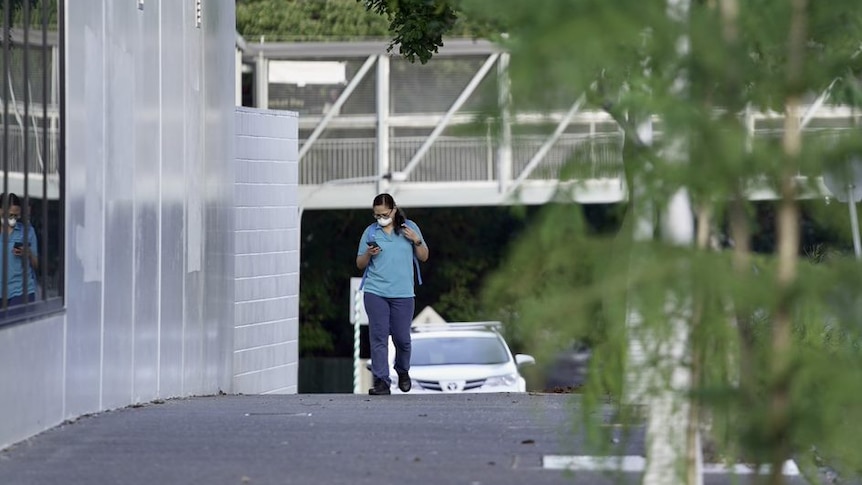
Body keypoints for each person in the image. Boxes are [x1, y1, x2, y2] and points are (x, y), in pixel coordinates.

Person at [356, 193, 429, 395]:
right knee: (379, 337)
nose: (381, 218)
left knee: (402, 338)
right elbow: (359, 264)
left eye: (384, 214)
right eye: (377, 215)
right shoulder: (371, 233)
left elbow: (424, 256)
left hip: (403, 293)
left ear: (394, 210)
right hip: (375, 291)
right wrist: (368, 254)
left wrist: (416, 240)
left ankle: (402, 370)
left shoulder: (409, 228)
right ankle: (381, 381)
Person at [1, 193, 39, 306]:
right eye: (10, 215)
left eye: (17, 216)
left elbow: (36, 264)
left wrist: (29, 254)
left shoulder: (27, 232)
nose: (14, 219)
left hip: (21, 291)